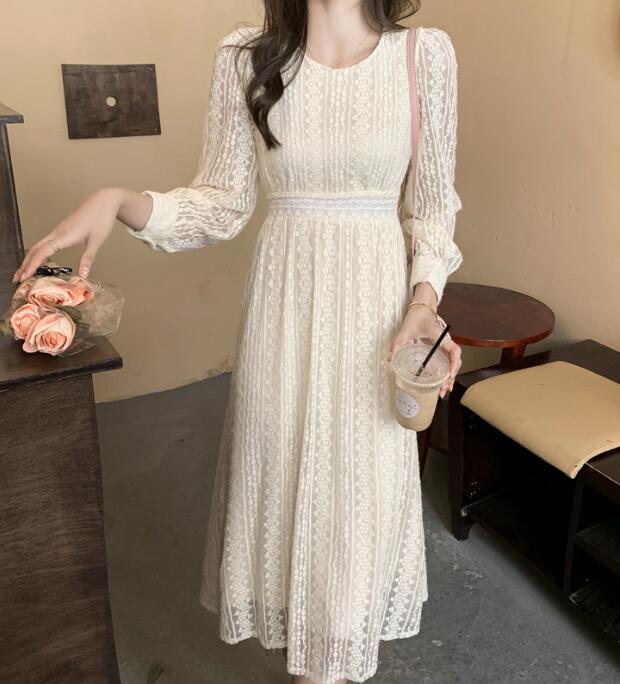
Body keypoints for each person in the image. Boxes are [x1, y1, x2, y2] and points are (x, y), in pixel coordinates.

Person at [12, 1, 464, 681]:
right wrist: (118, 199)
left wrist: (424, 302)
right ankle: (309, 659)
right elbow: (221, 202)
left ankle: (334, 658)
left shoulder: (424, 56)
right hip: (282, 315)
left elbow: (430, 210)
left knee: (357, 493)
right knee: (280, 473)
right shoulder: (246, 55)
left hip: (376, 316)